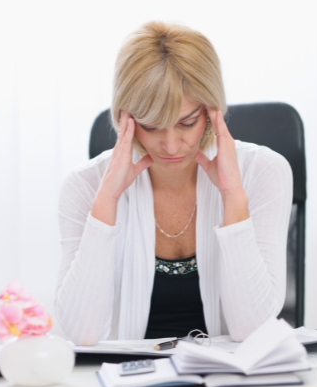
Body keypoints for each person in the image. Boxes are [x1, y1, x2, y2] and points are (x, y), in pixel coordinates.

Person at [55, 21, 292, 345]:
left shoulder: (263, 171)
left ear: (212, 111)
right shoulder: (84, 185)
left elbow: (253, 331)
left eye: (187, 123)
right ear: (125, 116)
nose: (170, 145)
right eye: (152, 126)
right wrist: (106, 201)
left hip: (228, 384)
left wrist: (233, 197)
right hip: (127, 386)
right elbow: (81, 335)